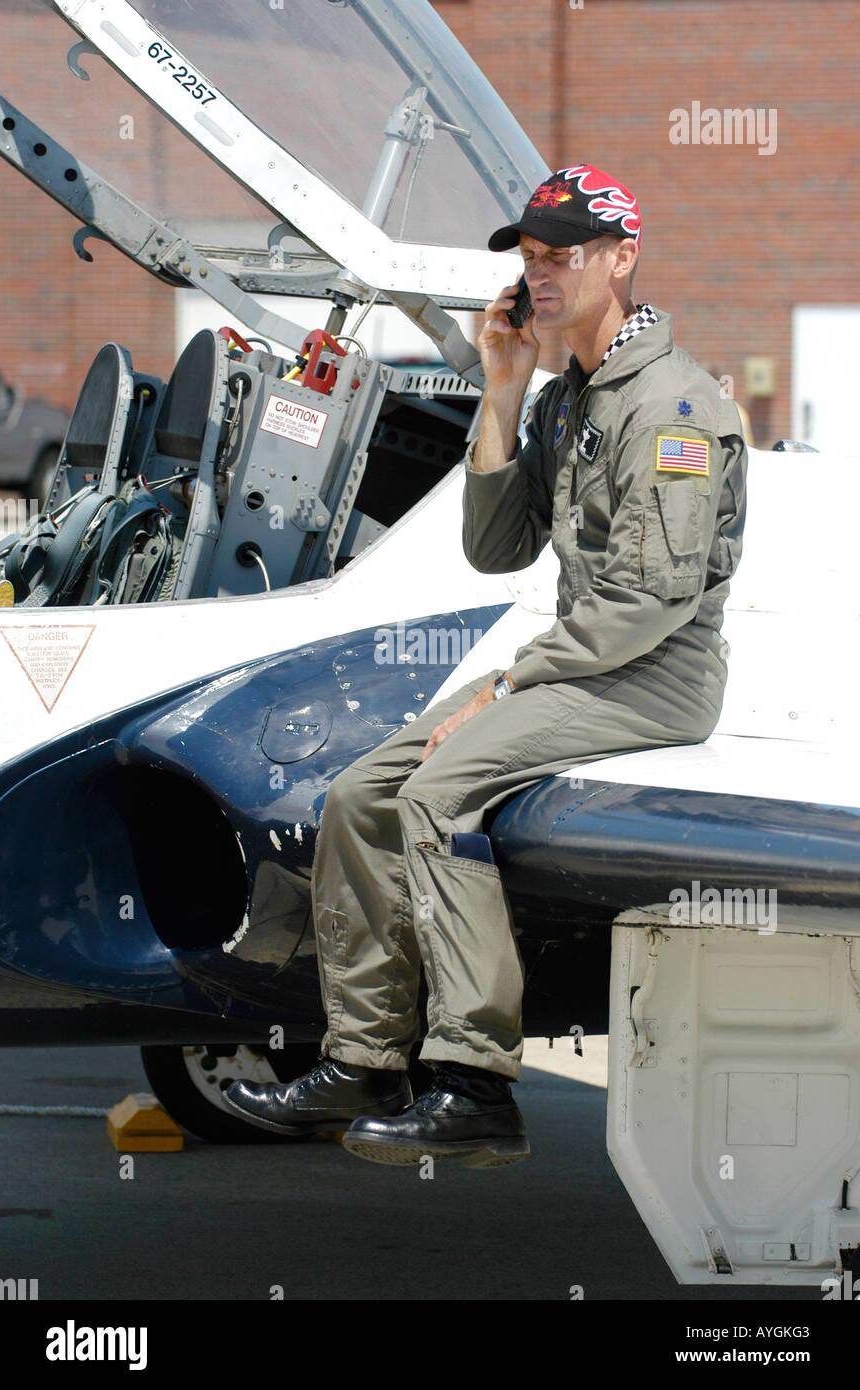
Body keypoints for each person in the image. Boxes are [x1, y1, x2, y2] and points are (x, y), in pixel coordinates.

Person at [224, 163, 747, 1169]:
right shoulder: (567, 401)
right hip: (579, 666)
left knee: (438, 793)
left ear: (623, 258)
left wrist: (510, 687)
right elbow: (497, 548)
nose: (542, 276)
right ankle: (368, 1059)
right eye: (533, 258)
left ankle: (474, 1081)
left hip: (652, 676)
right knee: (358, 794)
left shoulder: (675, 409)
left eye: (566, 256)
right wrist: (503, 392)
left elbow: (648, 603)